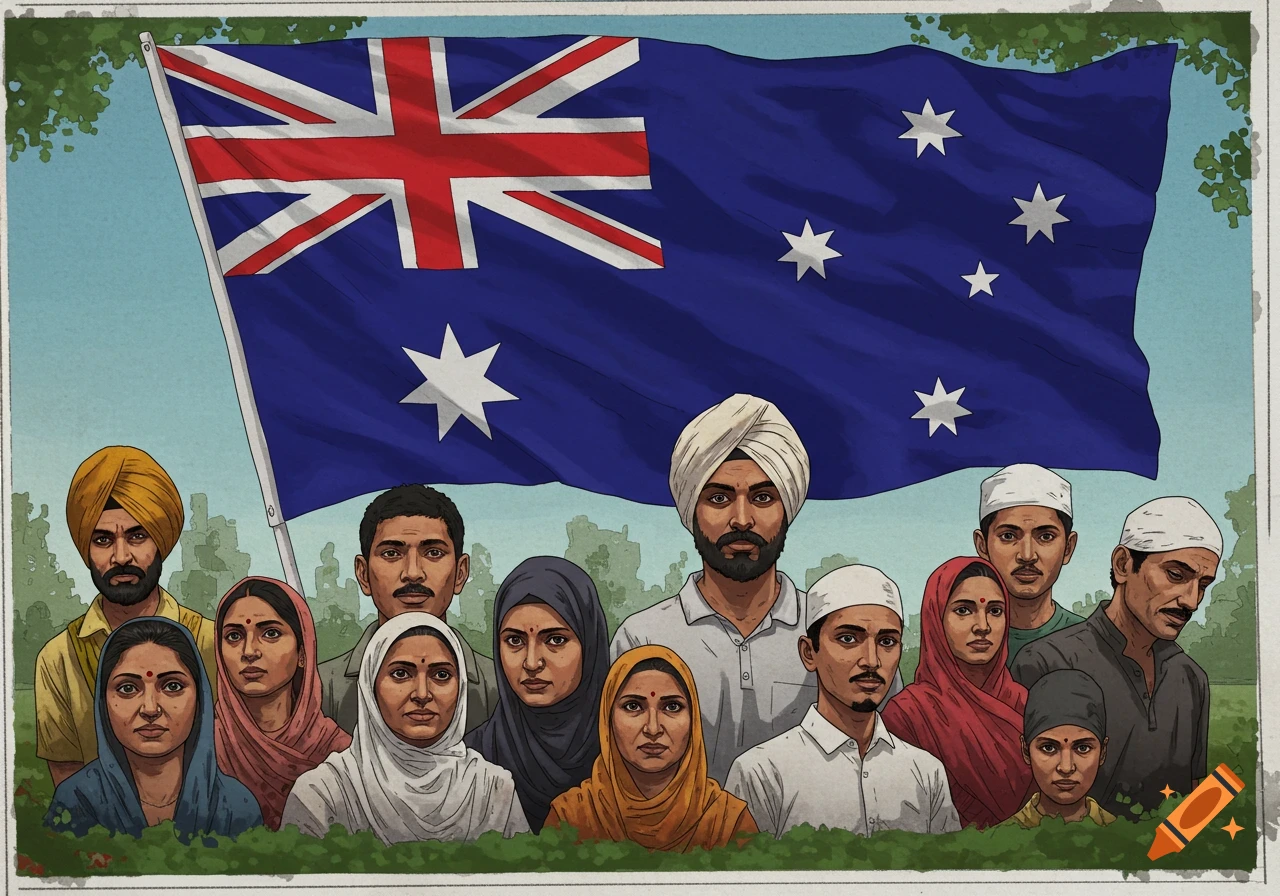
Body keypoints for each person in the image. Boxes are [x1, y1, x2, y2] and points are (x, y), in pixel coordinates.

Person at [610, 394, 902, 784]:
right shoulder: (642, 636)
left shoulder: (836, 634)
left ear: (788, 509)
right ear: (692, 510)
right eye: (719, 498)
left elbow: (885, 757)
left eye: (763, 498)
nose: (742, 519)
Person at [1012, 497, 1218, 818]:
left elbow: (1192, 808)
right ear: (1123, 565)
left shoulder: (1191, 677)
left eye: (1203, 584)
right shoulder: (1043, 661)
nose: (1191, 601)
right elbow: (1020, 807)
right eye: (1176, 575)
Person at [726, 565, 960, 838]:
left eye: (886, 641)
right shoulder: (762, 773)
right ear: (809, 652)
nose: (871, 660)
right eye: (849, 639)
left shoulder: (926, 772)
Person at [36, 446, 218, 788]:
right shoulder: (59, 659)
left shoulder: (210, 642)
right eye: (103, 540)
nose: (121, 556)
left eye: (137, 536)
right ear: (85, 550)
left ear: (160, 542)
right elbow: (70, 793)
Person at [281, 613, 529, 844]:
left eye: (441, 675)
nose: (422, 694)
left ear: (461, 686)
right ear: (370, 686)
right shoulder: (323, 794)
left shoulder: (494, 789)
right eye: (401, 674)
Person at [45, 617, 261, 841]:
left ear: (201, 699)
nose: (150, 708)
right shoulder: (76, 802)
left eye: (172, 686)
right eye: (128, 688)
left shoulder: (236, 806)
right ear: (103, 703)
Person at [317, 485, 499, 735]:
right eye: (391, 553)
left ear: (461, 573)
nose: (413, 572)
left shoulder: (501, 687)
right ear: (363, 574)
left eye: (433, 552)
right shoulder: (319, 688)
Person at [545, 646, 758, 852]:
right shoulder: (570, 817)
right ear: (607, 719)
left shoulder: (727, 821)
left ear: (693, 720)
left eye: (672, 707)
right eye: (633, 706)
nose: (653, 728)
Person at [880, 557, 1032, 829]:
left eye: (995, 611)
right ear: (935, 618)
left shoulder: (1026, 704)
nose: (983, 626)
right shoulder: (908, 715)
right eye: (964, 610)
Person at [464, 557, 609, 833]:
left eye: (555, 640)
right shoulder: (473, 759)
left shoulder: (627, 755)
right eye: (514, 640)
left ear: (590, 645)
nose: (531, 662)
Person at [213, 576, 351, 830]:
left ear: (302, 653)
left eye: (271, 633)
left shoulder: (339, 752)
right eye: (233, 636)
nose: (249, 651)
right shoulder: (205, 749)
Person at [973, 464, 1083, 667]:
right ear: (982, 546)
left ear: (1068, 547)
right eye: (1008, 536)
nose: (1027, 555)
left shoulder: (1090, 644)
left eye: (1045, 536)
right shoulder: (963, 644)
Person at [1005, 669, 1116, 829]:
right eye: (1048, 748)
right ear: (1025, 750)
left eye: (1083, 748)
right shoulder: (998, 844)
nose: (1066, 767)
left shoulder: (1125, 840)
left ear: (1103, 752)